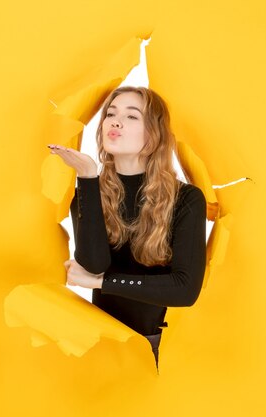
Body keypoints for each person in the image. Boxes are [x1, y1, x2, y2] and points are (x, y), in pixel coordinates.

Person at [47, 86, 207, 370]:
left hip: (152, 348)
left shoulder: (186, 199)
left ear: (154, 134)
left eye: (132, 117)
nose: (116, 121)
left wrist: (100, 284)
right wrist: (86, 177)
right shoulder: (87, 192)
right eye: (110, 113)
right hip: (96, 345)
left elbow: (185, 290)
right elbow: (94, 263)